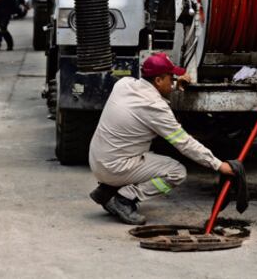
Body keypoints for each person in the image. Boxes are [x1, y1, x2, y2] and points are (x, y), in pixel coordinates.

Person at [88, 53, 234, 225]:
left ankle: (106, 191)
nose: (173, 81)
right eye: (170, 77)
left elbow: (149, 102)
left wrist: (172, 88)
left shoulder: (124, 84)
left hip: (97, 160)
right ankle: (124, 199)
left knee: (144, 149)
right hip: (115, 167)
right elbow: (184, 143)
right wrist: (218, 164)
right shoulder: (155, 107)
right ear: (158, 80)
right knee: (176, 173)